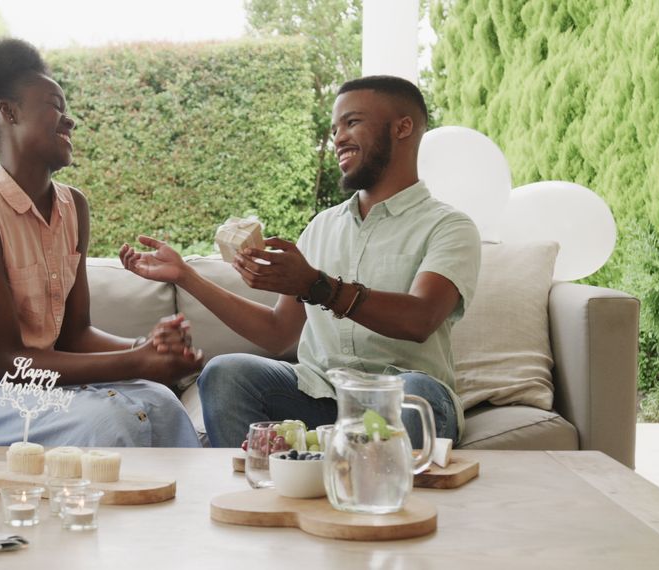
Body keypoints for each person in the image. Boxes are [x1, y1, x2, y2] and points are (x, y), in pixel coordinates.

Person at [120, 75, 480, 448]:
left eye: (352, 122)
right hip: (319, 396)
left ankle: (369, 478)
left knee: (414, 392)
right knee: (226, 374)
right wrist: (186, 275)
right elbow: (278, 333)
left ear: (402, 128)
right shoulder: (322, 226)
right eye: (335, 129)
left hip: (403, 398)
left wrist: (316, 286)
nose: (338, 138)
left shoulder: (448, 226)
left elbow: (420, 318)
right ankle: (269, 484)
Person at [0, 38, 203, 448]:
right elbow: (9, 364)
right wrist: (138, 361)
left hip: (38, 380)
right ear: (8, 112)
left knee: (161, 403)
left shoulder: (73, 206)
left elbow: (73, 336)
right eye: (54, 106)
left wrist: (150, 348)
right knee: (109, 423)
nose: (70, 121)